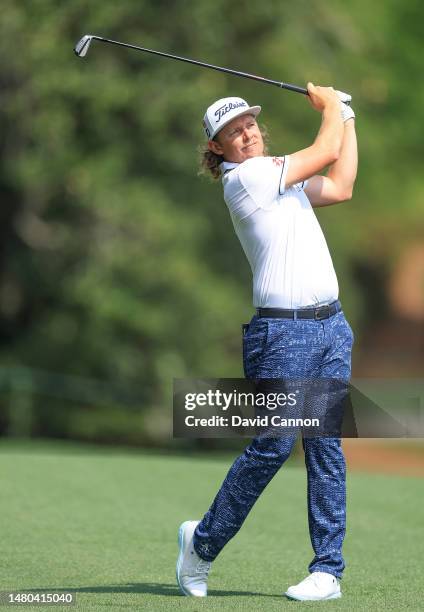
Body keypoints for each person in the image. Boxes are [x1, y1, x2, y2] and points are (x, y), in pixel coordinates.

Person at [176, 83, 357, 601]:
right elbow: (324, 152)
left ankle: (328, 570)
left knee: (326, 448)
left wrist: (349, 121)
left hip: (330, 327)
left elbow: (341, 183)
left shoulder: (282, 178)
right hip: (284, 333)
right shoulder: (248, 180)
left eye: (249, 124)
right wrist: (332, 109)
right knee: (274, 445)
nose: (246, 134)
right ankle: (202, 544)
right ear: (218, 149)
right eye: (232, 132)